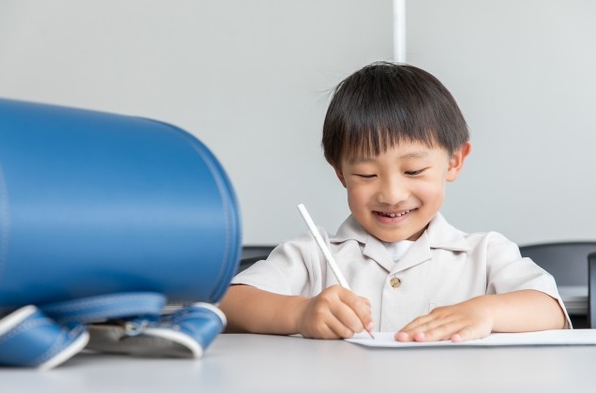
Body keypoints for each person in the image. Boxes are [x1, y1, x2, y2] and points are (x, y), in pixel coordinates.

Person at [219, 62, 569, 342]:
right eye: (367, 175)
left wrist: (485, 312)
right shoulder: (312, 255)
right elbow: (230, 303)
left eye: (414, 171)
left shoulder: (486, 254)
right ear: (340, 172)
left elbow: (550, 310)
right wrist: (300, 313)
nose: (391, 194)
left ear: (454, 161)